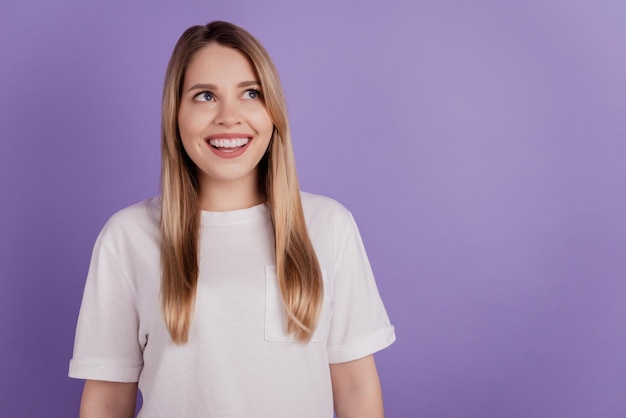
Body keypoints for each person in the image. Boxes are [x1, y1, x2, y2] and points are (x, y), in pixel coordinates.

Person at [69, 21, 395, 418]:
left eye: (251, 93)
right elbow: (106, 399)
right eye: (205, 96)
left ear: (273, 111)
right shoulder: (127, 237)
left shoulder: (328, 226)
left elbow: (356, 388)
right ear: (176, 114)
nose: (229, 117)